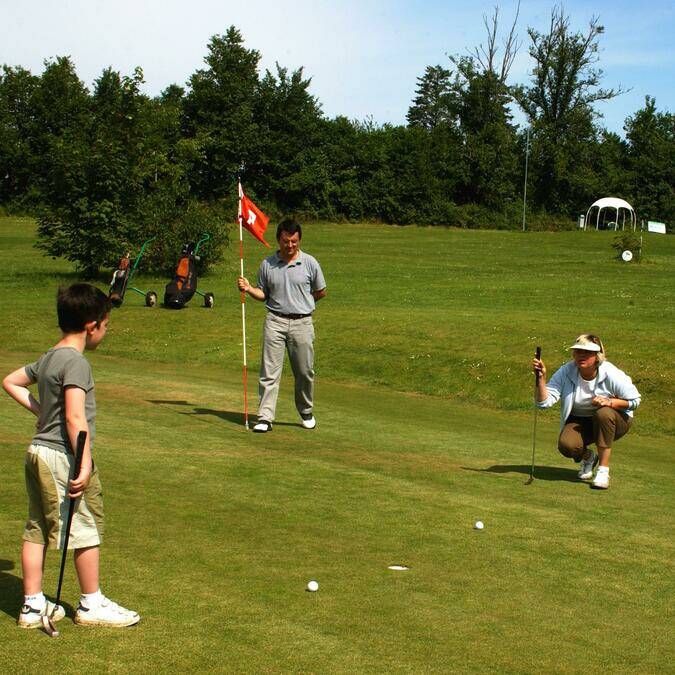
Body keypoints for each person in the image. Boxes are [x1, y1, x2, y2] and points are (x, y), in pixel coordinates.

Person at [2, 283, 140, 628]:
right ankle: (91, 603)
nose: (105, 332)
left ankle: (33, 605)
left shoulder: (49, 357)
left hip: (37, 451)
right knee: (85, 526)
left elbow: (11, 382)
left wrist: (41, 412)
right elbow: (75, 417)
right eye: (106, 325)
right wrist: (85, 460)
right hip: (62, 455)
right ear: (92, 325)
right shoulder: (76, 363)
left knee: (37, 528)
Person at [237, 218, 327, 433]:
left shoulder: (310, 263)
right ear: (279, 240)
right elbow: (263, 294)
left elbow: (321, 291)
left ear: (299, 240)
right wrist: (249, 289)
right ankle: (265, 418)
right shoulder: (267, 265)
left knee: (305, 371)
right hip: (275, 321)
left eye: (294, 241)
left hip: (302, 323)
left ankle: (306, 411)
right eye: (286, 241)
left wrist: (304, 304)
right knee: (269, 372)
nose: (290, 245)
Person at [532, 334, 641, 489]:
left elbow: (635, 401)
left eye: (587, 352)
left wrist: (610, 402)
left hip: (616, 420)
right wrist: (541, 379)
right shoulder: (566, 371)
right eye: (577, 351)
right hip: (581, 420)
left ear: (597, 356)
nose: (581, 355)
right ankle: (589, 458)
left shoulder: (611, 373)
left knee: (603, 413)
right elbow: (543, 403)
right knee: (567, 446)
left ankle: (603, 471)